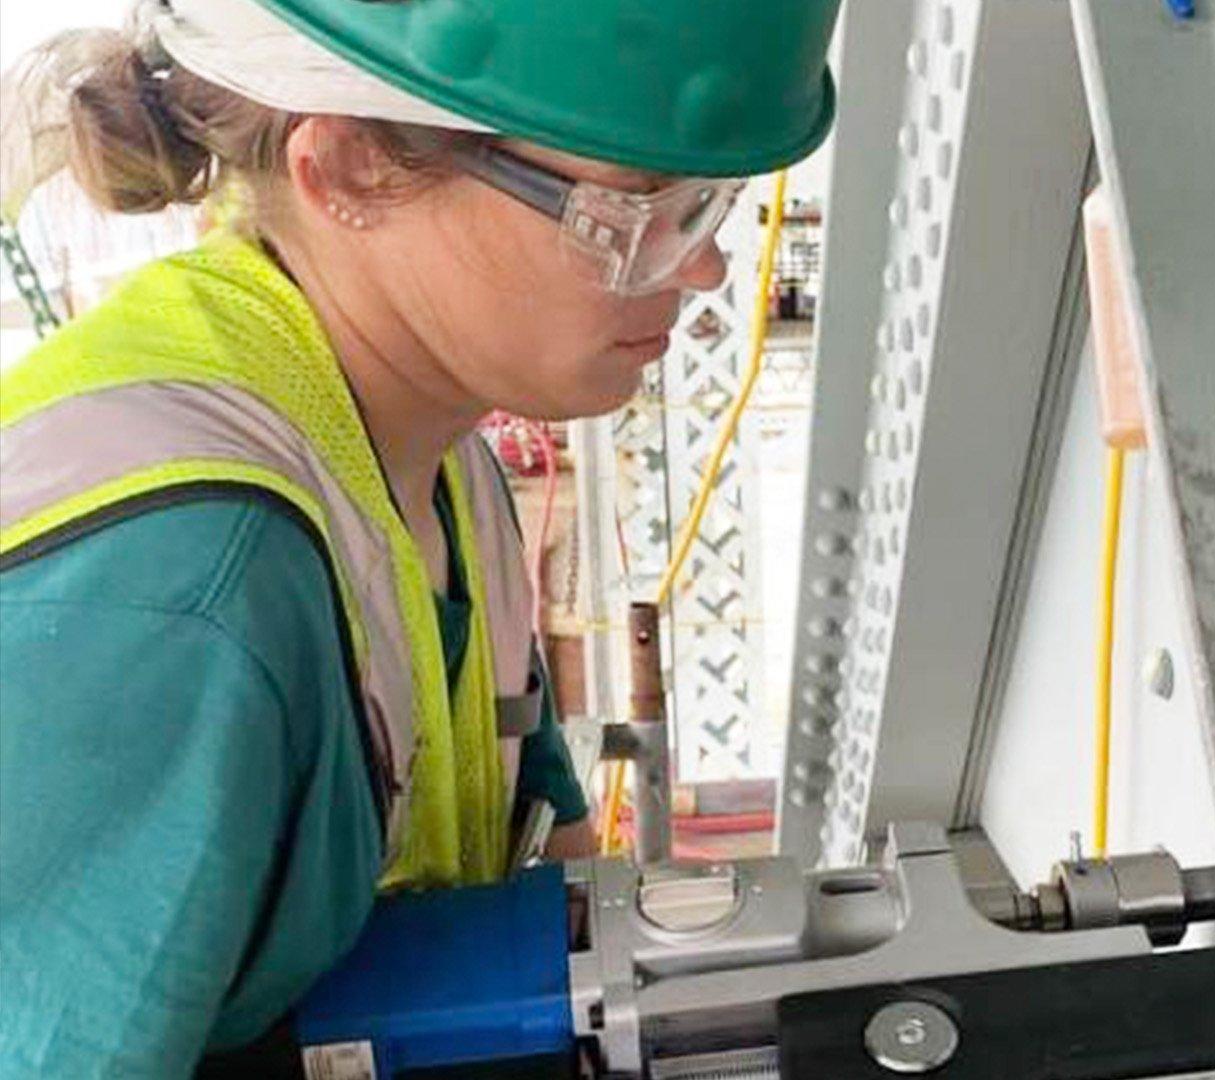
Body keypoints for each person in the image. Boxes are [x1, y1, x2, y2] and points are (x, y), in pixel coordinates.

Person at [0, 0, 839, 1073]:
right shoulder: (176, 604)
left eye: (711, 205)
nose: (703, 268)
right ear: (346, 171)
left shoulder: (428, 455)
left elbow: (555, 869)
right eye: (636, 215)